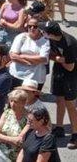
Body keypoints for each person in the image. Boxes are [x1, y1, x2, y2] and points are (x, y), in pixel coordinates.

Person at [41, 21, 77, 149]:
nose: (42, 33)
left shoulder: (70, 43)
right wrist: (58, 59)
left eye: (45, 32)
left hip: (70, 75)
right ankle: (59, 128)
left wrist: (57, 58)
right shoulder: (51, 39)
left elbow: (70, 66)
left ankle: (75, 134)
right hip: (59, 71)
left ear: (52, 34)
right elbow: (49, 55)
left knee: (70, 105)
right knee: (59, 100)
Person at [8, 18, 49, 89]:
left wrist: (22, 55)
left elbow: (43, 59)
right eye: (29, 26)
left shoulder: (45, 41)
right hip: (17, 75)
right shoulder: (21, 37)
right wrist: (29, 62)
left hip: (35, 78)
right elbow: (13, 56)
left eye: (35, 26)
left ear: (40, 28)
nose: (32, 28)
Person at [0, 89, 28, 161]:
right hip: (2, 155)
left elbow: (22, 141)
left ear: (24, 103)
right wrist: (12, 140)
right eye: (11, 101)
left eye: (16, 101)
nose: (12, 104)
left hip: (19, 157)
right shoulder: (7, 113)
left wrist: (2, 138)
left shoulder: (29, 117)